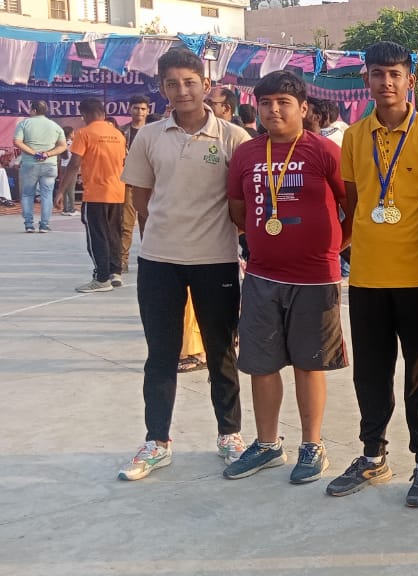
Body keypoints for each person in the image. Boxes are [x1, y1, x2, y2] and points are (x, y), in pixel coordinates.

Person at [324, 41, 418, 506]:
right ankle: (372, 455)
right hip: (365, 277)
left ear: (409, 81)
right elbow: (355, 201)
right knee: (371, 373)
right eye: (378, 73)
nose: (386, 82)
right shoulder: (354, 137)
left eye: (395, 74)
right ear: (367, 79)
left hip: (416, 275)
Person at [117, 48, 252, 481]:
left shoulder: (233, 137)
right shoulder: (149, 137)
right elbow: (142, 199)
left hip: (215, 261)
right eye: (172, 84)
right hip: (160, 262)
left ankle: (230, 434)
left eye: (190, 82)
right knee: (161, 353)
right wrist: (159, 238)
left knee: (221, 351)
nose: (182, 91)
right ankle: (156, 441)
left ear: (206, 85)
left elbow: (242, 201)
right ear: (162, 89)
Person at [221, 70, 352, 484]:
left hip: (315, 277)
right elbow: (238, 210)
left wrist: (332, 247)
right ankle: (267, 444)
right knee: (261, 364)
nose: (273, 110)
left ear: (303, 107)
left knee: (309, 365)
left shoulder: (324, 150)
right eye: (265, 103)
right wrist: (264, 243)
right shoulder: (247, 153)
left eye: (283, 102)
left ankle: (312, 446)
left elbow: (352, 205)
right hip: (262, 275)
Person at [56, 98, 127, 293]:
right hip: (117, 191)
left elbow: (74, 164)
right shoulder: (118, 134)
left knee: (96, 236)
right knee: (114, 233)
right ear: (103, 113)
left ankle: (101, 278)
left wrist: (61, 191)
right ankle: (115, 272)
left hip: (96, 193)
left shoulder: (84, 133)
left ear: (85, 114)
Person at [13, 101, 67, 233]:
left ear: (34, 110)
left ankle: (29, 224)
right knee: (47, 195)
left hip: (30, 164)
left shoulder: (24, 124)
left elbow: (17, 141)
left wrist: (34, 153)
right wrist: (47, 154)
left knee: (27, 194)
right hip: (49, 164)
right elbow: (62, 146)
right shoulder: (55, 126)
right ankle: (44, 225)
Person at [120, 95, 152, 272]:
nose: (139, 112)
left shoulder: (154, 132)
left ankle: (149, 260)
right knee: (126, 224)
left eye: (143, 109)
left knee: (148, 225)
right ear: (129, 109)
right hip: (129, 184)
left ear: (148, 111)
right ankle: (122, 261)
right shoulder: (121, 132)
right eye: (136, 108)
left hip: (150, 185)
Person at [57, 125, 78, 216]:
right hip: (70, 167)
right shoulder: (72, 144)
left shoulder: (61, 144)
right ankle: (71, 209)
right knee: (71, 189)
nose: (74, 134)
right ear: (70, 134)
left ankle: (65, 208)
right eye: (73, 133)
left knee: (64, 188)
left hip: (63, 166)